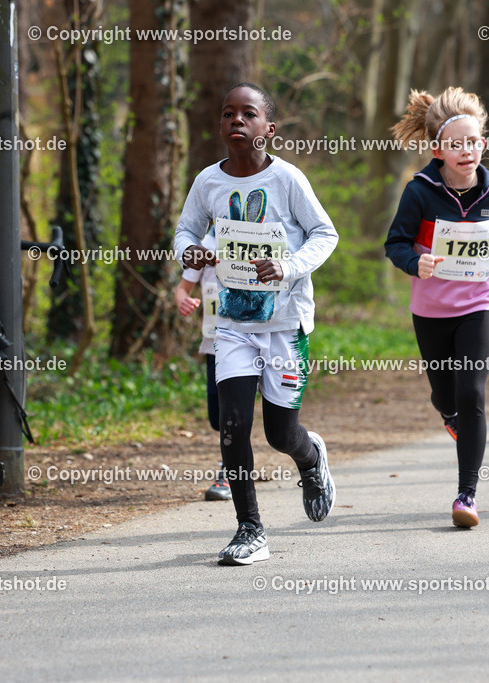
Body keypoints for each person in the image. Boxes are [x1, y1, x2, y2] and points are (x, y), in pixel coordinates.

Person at [174, 83, 339, 564]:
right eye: (228, 114)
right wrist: (191, 251)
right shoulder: (208, 182)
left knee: (280, 433)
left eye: (248, 114)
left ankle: (311, 459)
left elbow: (325, 233)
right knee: (232, 425)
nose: (237, 121)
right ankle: (250, 530)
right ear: (221, 125)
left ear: (268, 128)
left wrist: (288, 267)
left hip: (284, 322)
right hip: (230, 322)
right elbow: (187, 230)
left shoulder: (287, 180)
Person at [385, 87, 489, 528]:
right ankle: (448, 413)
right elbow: (394, 244)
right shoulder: (420, 192)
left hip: (478, 302)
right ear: (438, 149)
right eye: (456, 144)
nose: (466, 151)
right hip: (432, 308)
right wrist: (415, 262)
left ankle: (466, 495)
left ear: (483, 144)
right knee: (446, 395)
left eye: (473, 142)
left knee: (473, 393)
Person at [174, 228, 231, 501]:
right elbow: (182, 288)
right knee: (217, 417)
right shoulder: (204, 244)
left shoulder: (263, 238)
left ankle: (230, 472)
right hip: (214, 344)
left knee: (239, 416)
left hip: (257, 340)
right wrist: (184, 302)